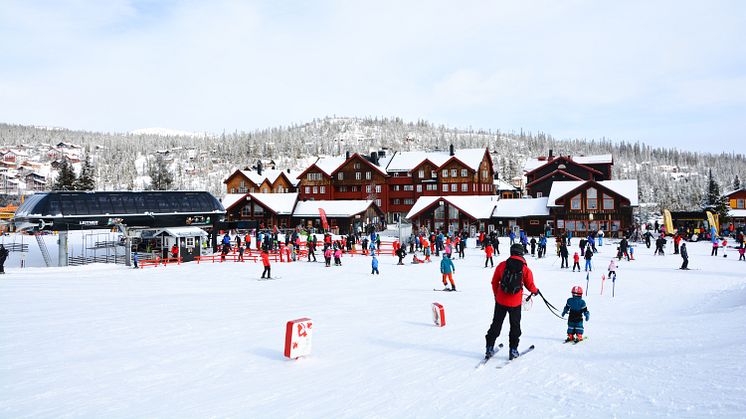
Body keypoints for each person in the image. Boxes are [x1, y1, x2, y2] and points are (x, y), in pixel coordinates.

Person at [484, 244, 539, 360]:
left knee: (496, 324)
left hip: (500, 300)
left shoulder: (502, 265)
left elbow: (494, 282)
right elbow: (530, 285)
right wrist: (535, 291)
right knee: (515, 326)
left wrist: (496, 295)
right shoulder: (525, 269)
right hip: (515, 303)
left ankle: (489, 347)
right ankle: (513, 350)